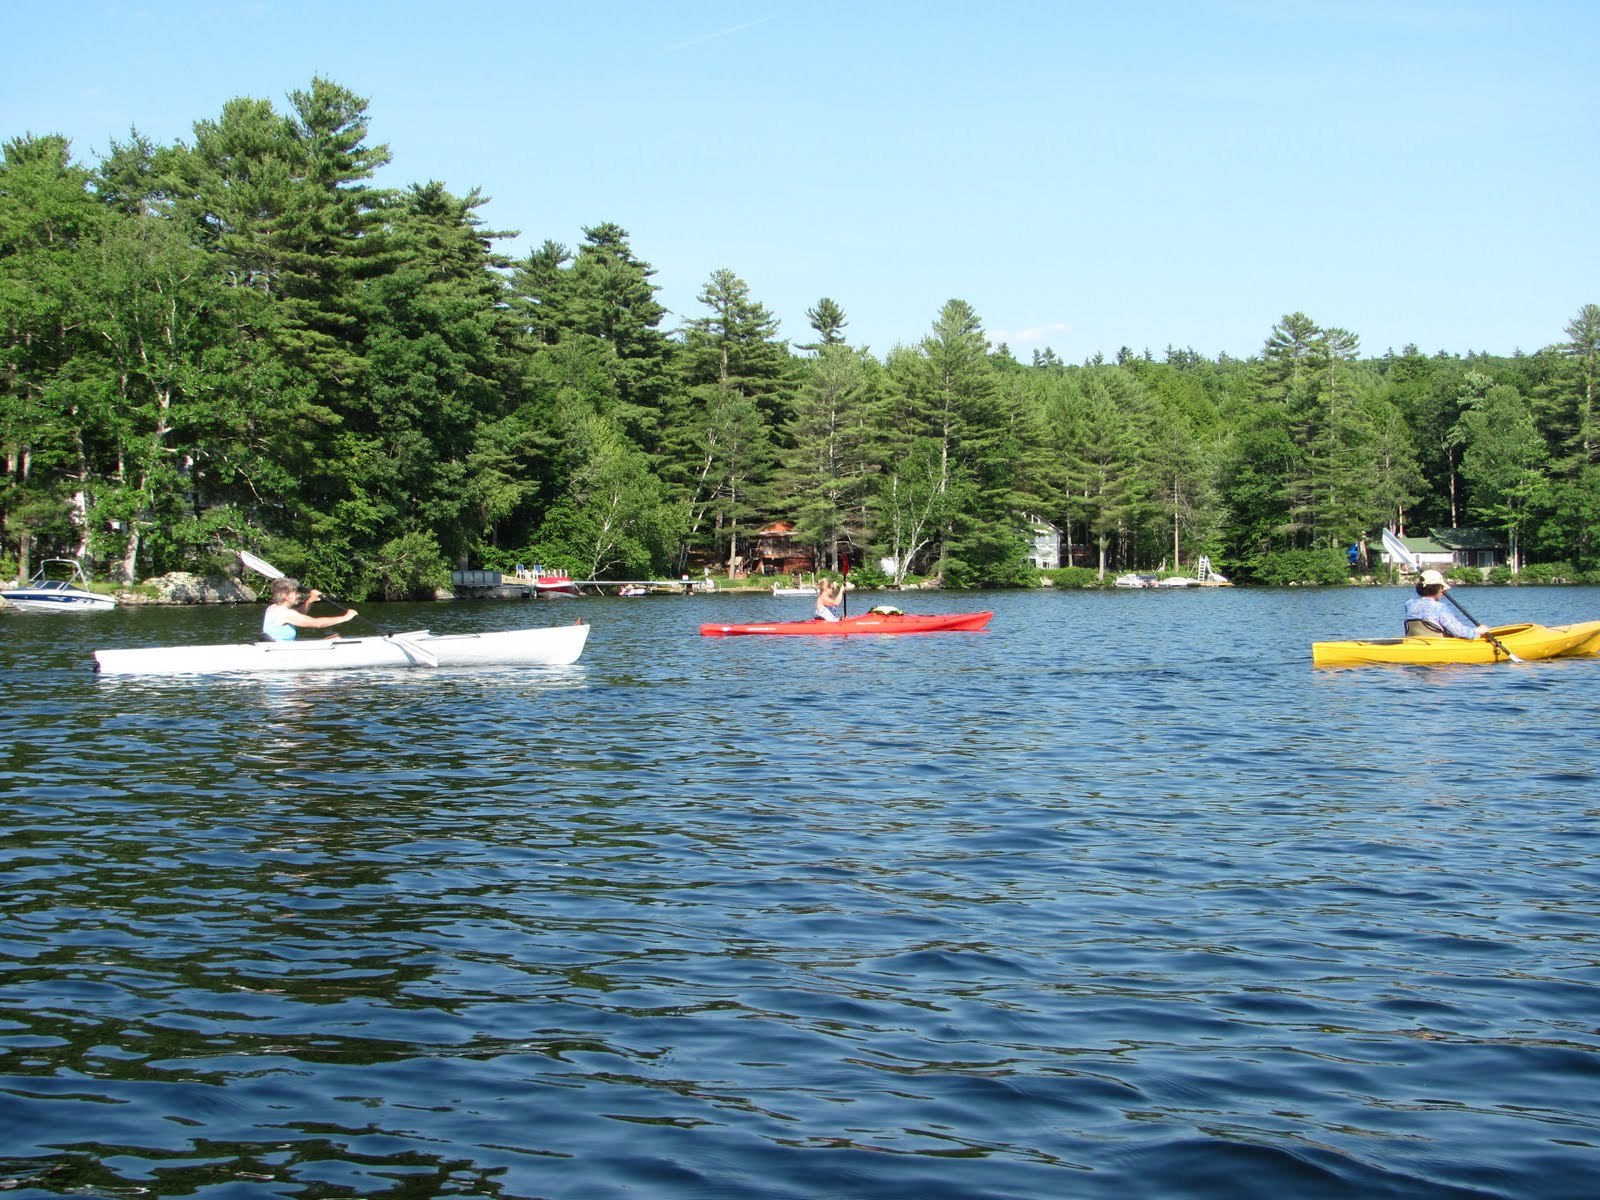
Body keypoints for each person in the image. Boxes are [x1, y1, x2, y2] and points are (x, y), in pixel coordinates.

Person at [262, 576, 358, 641]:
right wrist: (345, 617)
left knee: (334, 638)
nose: (298, 595)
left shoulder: (273, 608)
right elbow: (317, 623)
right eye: (295, 593)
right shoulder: (285, 614)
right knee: (336, 640)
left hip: (282, 650)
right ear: (287, 596)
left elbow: (298, 614)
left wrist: (310, 600)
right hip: (282, 653)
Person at [1403, 569, 1487, 639]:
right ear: (1438, 588)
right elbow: (1458, 631)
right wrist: (1477, 630)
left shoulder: (1409, 604)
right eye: (1442, 587)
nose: (1444, 591)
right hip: (1439, 645)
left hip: (1417, 642)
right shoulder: (1439, 607)